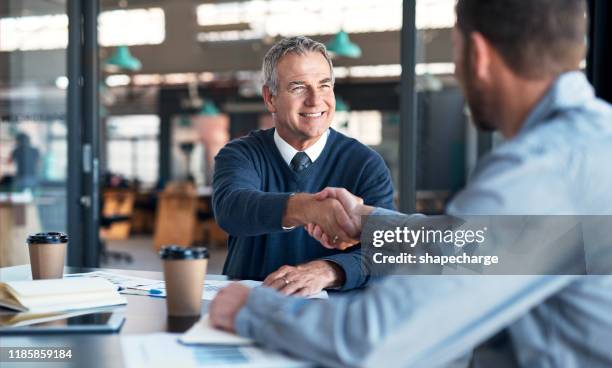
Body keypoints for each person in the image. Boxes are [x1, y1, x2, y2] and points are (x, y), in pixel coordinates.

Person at [209, 1, 612, 366]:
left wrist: (252, 310)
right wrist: (370, 222)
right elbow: (481, 246)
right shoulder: (592, 145)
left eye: (454, 54)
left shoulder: (541, 171)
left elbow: (378, 340)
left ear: (478, 55)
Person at [212, 36, 394, 295]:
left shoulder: (365, 164)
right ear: (270, 98)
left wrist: (329, 270)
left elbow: (387, 252)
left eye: (324, 85)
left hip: (334, 316)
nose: (315, 100)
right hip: (248, 309)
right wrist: (309, 209)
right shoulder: (241, 154)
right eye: (298, 87)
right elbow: (232, 209)